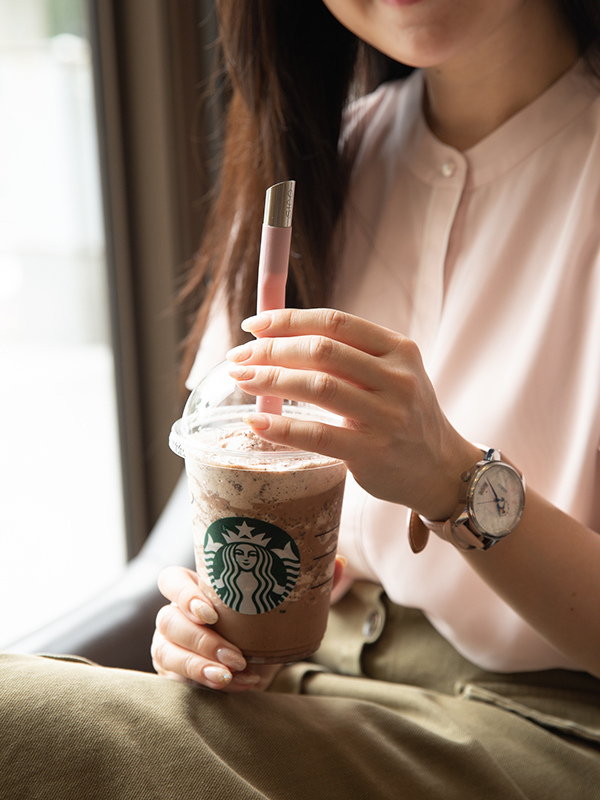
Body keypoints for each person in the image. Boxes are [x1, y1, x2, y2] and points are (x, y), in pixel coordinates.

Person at [3, 0, 600, 797]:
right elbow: (206, 516)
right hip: (306, 688)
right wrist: (208, 624)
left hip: (543, 727)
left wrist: (453, 480)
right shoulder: (309, 169)